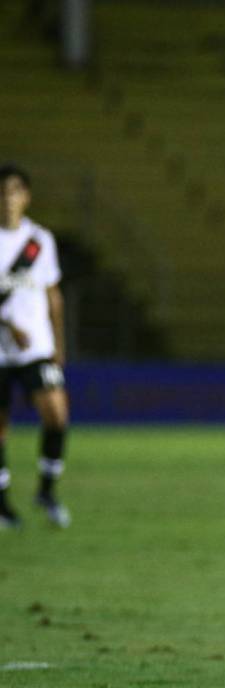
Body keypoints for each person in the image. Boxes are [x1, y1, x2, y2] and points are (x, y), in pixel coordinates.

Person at [0, 164, 70, 530]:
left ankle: (46, 490)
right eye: (2, 192)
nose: (8, 200)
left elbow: (52, 294)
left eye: (14, 192)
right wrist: (8, 323)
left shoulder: (40, 241)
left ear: (26, 197)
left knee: (57, 414)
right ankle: (3, 505)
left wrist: (59, 344)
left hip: (36, 348)